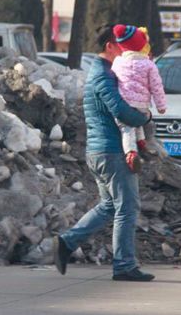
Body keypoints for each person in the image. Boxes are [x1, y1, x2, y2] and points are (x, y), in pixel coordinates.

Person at [52, 24, 155, 282]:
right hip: (111, 152)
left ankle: (66, 243)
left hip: (101, 151)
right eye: (121, 47)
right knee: (128, 208)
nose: (125, 53)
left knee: (110, 206)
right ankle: (123, 266)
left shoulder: (106, 73)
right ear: (109, 47)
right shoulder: (103, 76)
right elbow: (120, 111)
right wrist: (145, 116)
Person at [111, 25, 167, 173]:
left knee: (126, 128)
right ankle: (141, 143)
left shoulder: (117, 62)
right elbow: (157, 87)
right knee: (138, 121)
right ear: (143, 44)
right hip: (142, 106)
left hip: (123, 105)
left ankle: (131, 153)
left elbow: (112, 81)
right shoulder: (149, 65)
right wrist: (161, 106)